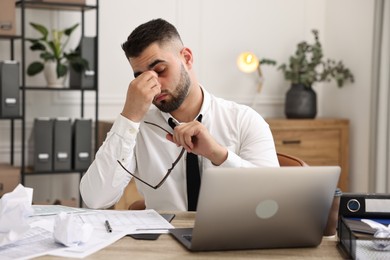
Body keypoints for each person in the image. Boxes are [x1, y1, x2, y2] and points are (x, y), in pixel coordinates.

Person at [80, 18, 279, 211]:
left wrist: (217, 154)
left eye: (160, 70)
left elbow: (273, 198)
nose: (154, 86)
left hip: (232, 240)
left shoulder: (244, 120)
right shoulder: (137, 128)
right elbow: (95, 199)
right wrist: (129, 118)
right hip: (163, 241)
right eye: (141, 78)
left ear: (187, 58)